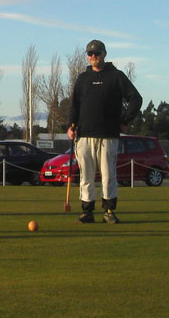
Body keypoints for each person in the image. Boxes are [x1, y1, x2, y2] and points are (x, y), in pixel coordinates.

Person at [67, 40, 142, 224]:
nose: (93, 57)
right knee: (86, 176)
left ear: (104, 54)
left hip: (108, 135)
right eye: (90, 54)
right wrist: (71, 125)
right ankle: (87, 212)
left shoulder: (116, 76)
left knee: (109, 175)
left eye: (97, 53)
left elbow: (136, 99)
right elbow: (75, 105)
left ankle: (109, 211)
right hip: (84, 135)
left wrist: (124, 120)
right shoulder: (83, 78)